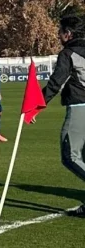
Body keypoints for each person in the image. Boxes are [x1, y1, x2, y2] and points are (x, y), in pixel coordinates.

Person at [42, 12, 85, 216]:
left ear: (68, 33)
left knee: (70, 156)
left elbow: (55, 82)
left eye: (60, 31)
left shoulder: (68, 54)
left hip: (80, 107)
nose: (58, 35)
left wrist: (37, 104)